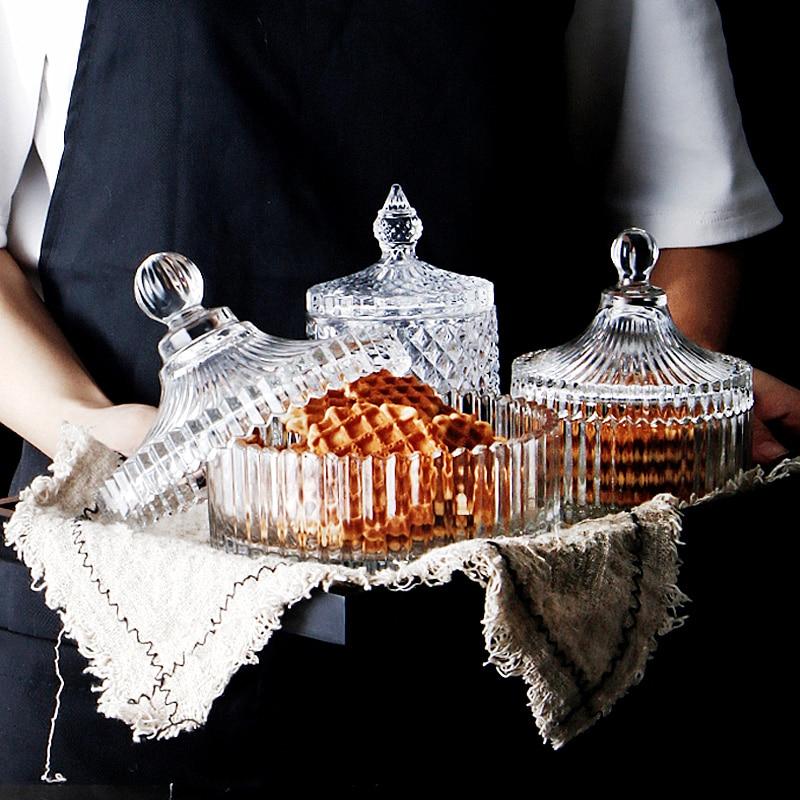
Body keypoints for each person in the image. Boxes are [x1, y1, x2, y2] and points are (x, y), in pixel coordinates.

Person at [1, 0, 797, 788]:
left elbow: (684, 220)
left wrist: (652, 408)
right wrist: (90, 425)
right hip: (142, 590)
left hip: (517, 605)